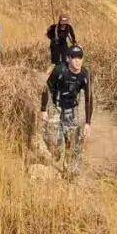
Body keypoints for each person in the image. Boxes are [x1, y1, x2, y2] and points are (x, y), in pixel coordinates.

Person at [41, 45, 92, 174]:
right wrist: (43, 110)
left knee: (74, 143)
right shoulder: (60, 70)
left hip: (71, 111)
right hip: (56, 108)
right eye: (74, 58)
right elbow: (46, 88)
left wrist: (87, 123)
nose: (77, 61)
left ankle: (69, 172)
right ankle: (55, 152)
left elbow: (88, 99)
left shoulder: (84, 74)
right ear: (68, 59)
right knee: (53, 143)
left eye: (80, 57)